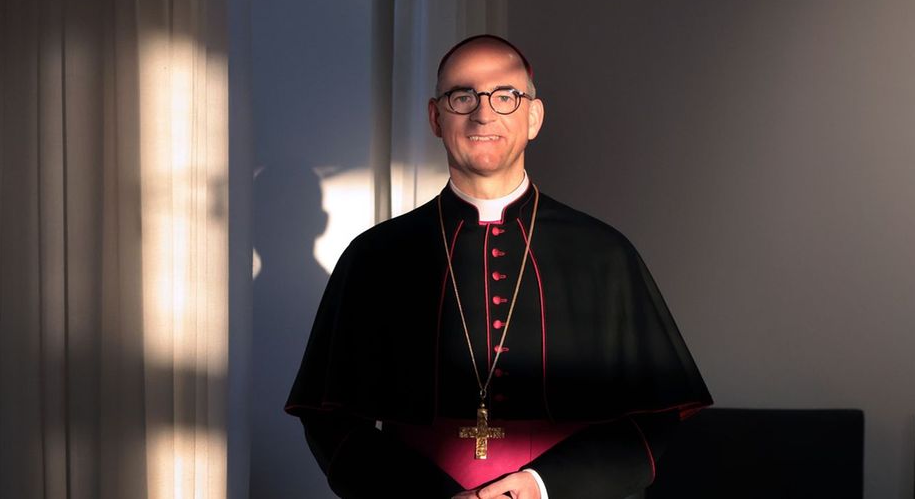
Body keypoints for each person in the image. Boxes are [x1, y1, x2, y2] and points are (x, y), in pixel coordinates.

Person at [286, 35, 712, 499]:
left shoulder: (604, 254)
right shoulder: (376, 256)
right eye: (462, 96)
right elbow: (330, 421)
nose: (483, 114)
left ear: (534, 118)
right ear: (436, 117)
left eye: (505, 96)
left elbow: (652, 419)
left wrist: (543, 485)